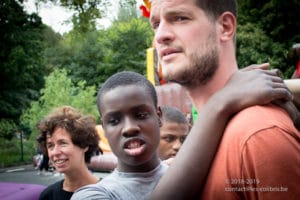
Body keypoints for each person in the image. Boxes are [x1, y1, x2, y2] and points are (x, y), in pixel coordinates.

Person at [149, 0, 300, 199]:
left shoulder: (258, 136)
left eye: (180, 18)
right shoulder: (201, 137)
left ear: (225, 27)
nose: (160, 36)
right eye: (156, 24)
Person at [72, 69, 293, 200]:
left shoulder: (196, 170)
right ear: (103, 128)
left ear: (158, 117)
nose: (129, 127)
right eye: (114, 120)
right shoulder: (93, 195)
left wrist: (281, 97)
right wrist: (219, 103)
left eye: (140, 114)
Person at [37, 106, 100, 200]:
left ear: (84, 145)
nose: (55, 152)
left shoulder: (108, 193)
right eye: (50, 145)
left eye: (63, 143)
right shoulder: (48, 196)